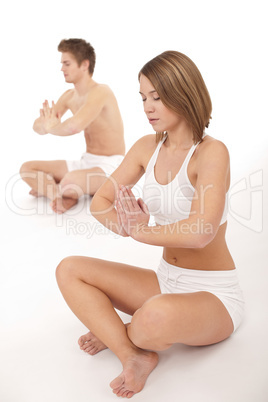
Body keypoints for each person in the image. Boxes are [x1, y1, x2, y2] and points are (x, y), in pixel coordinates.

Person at [56, 51, 245, 398]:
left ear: (184, 92)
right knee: (69, 269)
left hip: (214, 294)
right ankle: (132, 354)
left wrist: (141, 230)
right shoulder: (146, 148)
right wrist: (128, 226)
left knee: (152, 319)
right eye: (143, 97)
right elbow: (100, 203)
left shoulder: (211, 152)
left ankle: (121, 331)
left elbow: (201, 231)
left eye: (158, 97)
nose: (148, 107)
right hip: (164, 280)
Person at [20, 38, 125, 214]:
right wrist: (45, 125)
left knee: (68, 181)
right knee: (27, 169)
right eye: (62, 64)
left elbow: (74, 126)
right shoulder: (69, 96)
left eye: (67, 63)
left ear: (85, 64)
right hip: (86, 161)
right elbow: (37, 127)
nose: (62, 68)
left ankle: (55, 188)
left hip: (111, 165)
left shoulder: (101, 92)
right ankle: (57, 196)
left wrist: (51, 127)